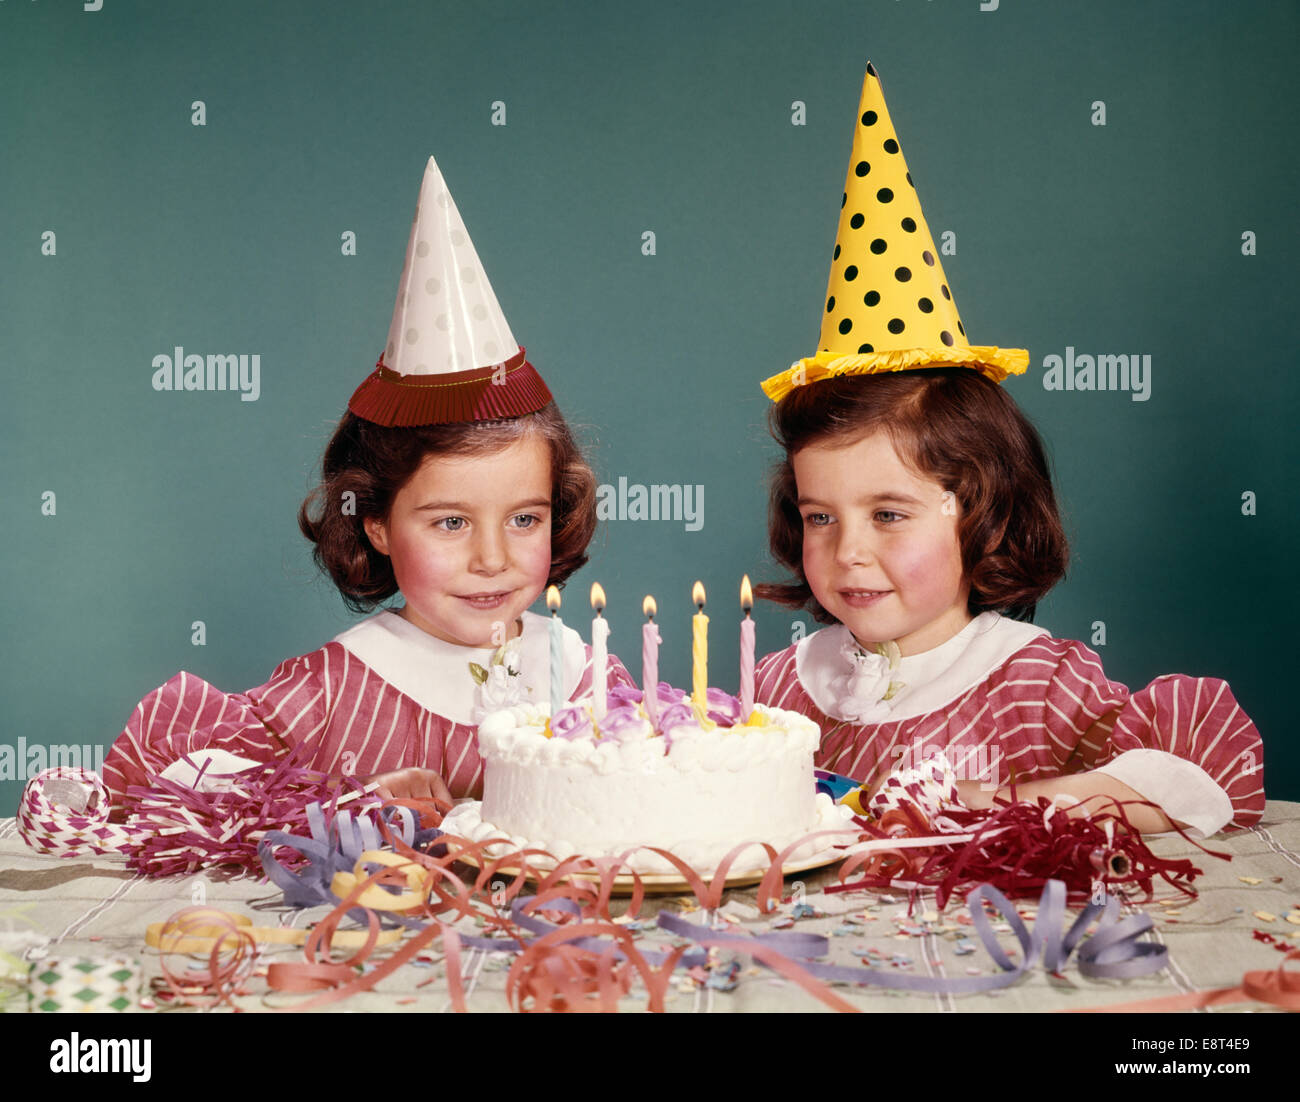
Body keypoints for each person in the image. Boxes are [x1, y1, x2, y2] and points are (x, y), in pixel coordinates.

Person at [751, 65, 1263, 835]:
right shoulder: (782, 688)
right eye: (820, 516)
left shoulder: (1033, 684)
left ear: (981, 512)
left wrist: (1002, 809)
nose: (847, 551)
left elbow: (1205, 768)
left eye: (888, 513)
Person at [102, 156, 631, 811]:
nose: (492, 559)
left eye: (524, 519)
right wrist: (340, 808)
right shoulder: (330, 693)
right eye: (451, 522)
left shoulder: (587, 679)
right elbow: (144, 796)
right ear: (376, 521)